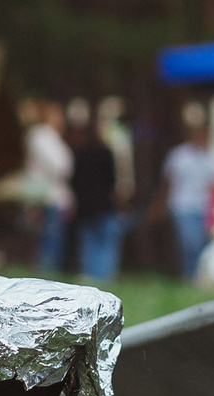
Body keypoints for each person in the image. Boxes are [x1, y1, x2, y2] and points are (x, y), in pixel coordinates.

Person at [156, 107, 214, 281]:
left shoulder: (211, 156)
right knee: (188, 243)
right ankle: (190, 274)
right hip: (182, 205)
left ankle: (199, 276)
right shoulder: (178, 155)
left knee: (200, 244)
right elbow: (168, 183)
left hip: (203, 206)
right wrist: (162, 204)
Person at [67, 100, 124, 283]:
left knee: (89, 245)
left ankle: (89, 276)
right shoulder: (106, 152)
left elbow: (74, 182)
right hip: (104, 206)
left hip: (85, 207)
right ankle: (106, 276)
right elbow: (112, 182)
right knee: (106, 245)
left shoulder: (79, 155)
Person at [23, 100, 74, 275]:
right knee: (49, 241)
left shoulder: (51, 137)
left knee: (54, 240)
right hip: (47, 197)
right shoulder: (41, 136)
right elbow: (61, 167)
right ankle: (46, 275)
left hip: (55, 197)